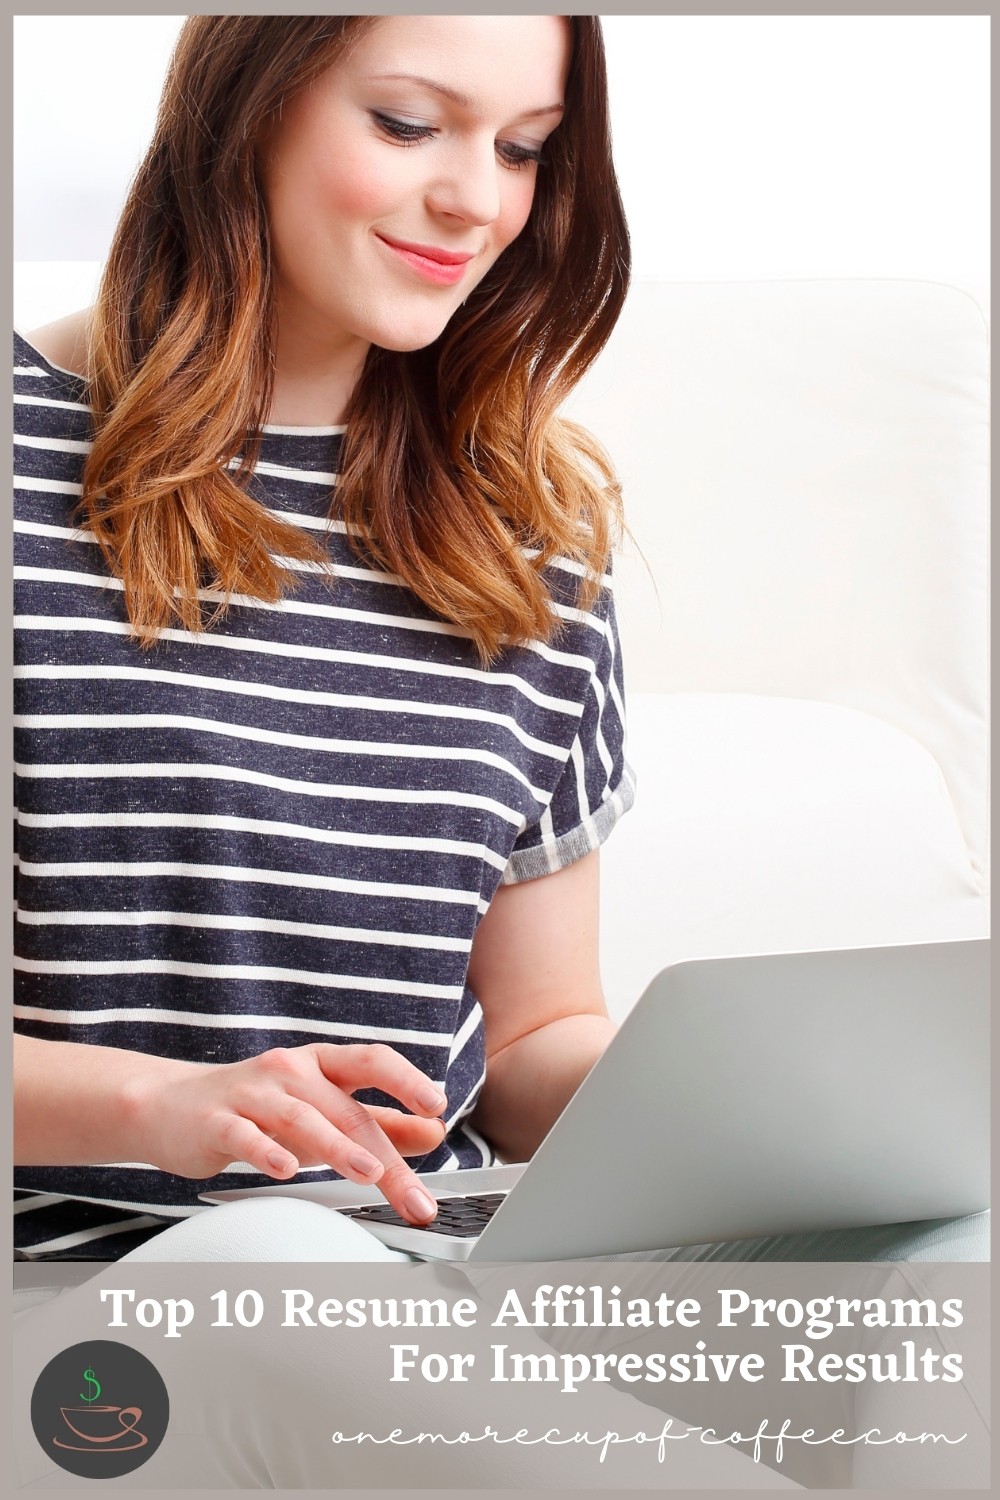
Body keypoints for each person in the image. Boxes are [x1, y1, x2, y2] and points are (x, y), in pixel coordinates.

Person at [13, 13, 635, 1263]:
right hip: (89, 1282)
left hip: (431, 1266)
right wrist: (159, 1108)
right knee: (271, 1257)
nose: (475, 201)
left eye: (522, 149)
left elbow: (529, 1035)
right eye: (408, 125)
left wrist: (719, 1120)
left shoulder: (533, 530)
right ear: (246, 104)